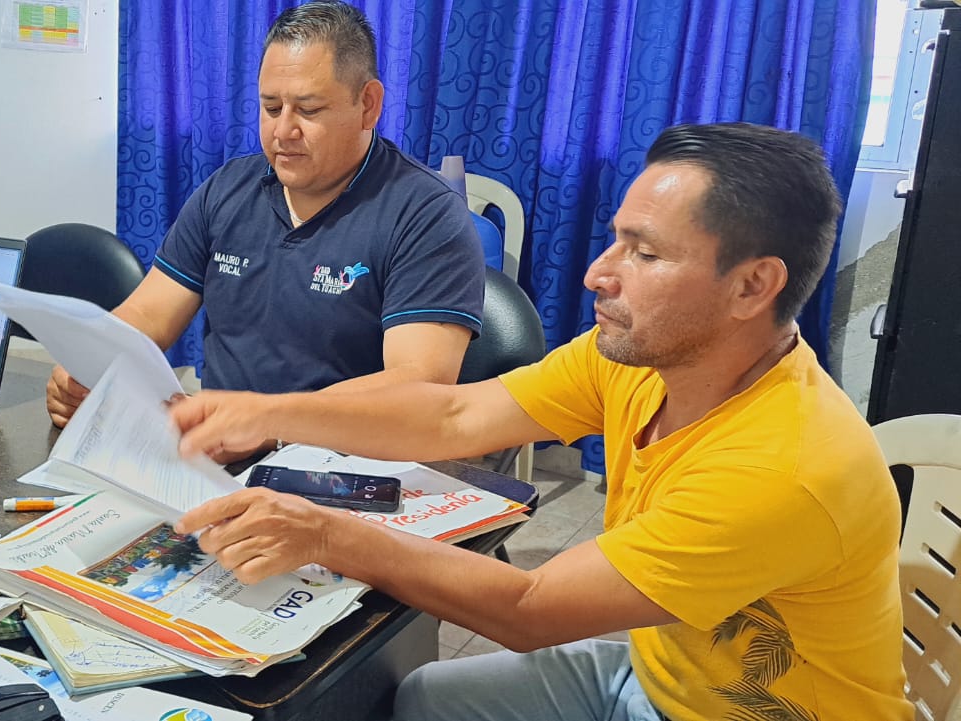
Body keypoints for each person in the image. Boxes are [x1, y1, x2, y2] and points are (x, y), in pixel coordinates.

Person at [169, 123, 912, 720]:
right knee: (425, 697)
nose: (598, 273)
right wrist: (268, 413)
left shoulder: (782, 468)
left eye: (645, 253)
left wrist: (327, 533)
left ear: (753, 285)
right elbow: (455, 414)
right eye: (618, 238)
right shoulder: (639, 357)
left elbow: (531, 608)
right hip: (659, 669)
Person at [46, 1, 485, 456]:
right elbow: (148, 314)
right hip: (214, 460)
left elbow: (419, 383)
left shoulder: (426, 213)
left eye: (308, 110)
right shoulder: (228, 189)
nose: (283, 131)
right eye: (271, 107)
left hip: (347, 465)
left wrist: (268, 425)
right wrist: (90, 364)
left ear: (368, 105)